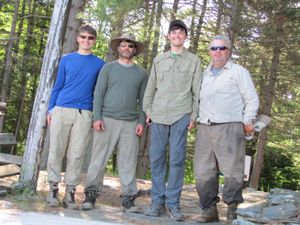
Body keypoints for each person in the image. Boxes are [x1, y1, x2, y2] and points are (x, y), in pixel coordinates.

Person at [194, 34, 259, 224]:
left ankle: (232, 210)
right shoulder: (204, 75)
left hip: (230, 127)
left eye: (222, 48)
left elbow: (252, 99)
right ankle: (209, 209)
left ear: (228, 51)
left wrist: (248, 121)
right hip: (205, 127)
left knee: (232, 171)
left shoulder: (239, 72)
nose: (218, 52)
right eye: (214, 48)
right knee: (203, 171)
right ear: (209, 52)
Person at [81, 33, 148, 212]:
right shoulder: (108, 69)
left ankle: (128, 198)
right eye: (124, 45)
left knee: (128, 161)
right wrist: (97, 118)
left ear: (135, 50)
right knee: (98, 159)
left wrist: (141, 121)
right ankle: (90, 194)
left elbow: (143, 101)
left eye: (130, 46)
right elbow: (99, 94)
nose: (126, 49)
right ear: (118, 48)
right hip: (107, 120)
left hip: (130, 123)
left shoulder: (141, 73)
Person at [143, 19, 202, 221]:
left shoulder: (194, 61)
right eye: (173, 32)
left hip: (180, 115)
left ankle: (173, 205)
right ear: (168, 36)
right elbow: (150, 88)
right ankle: (156, 202)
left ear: (185, 36)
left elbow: (197, 92)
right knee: (157, 159)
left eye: (181, 33)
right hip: (158, 115)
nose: (177, 36)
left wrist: (193, 116)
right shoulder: (159, 60)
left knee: (177, 160)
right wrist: (148, 110)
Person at [46, 25, 105, 209]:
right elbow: (58, 85)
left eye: (91, 38)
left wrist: (96, 115)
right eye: (84, 37)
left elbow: (99, 92)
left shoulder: (99, 64)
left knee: (77, 153)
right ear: (78, 38)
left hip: (84, 112)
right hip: (62, 109)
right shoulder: (67, 60)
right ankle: (53, 190)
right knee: (56, 149)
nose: (87, 40)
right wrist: (51, 109)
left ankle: (70, 192)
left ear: (94, 41)